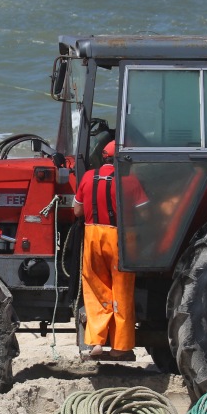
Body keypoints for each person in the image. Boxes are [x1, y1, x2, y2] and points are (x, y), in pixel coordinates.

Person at [73, 140, 147, 362]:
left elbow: (76, 210)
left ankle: (96, 343)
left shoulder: (87, 177)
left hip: (93, 236)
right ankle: (121, 347)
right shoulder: (130, 181)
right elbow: (144, 214)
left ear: (103, 157)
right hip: (121, 239)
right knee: (121, 292)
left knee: (97, 290)